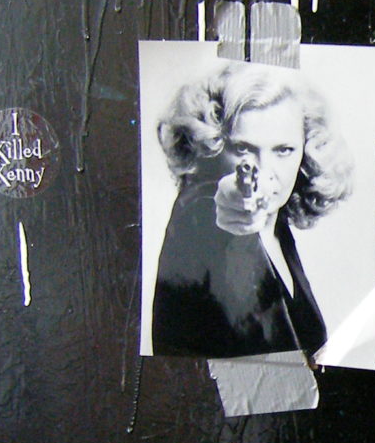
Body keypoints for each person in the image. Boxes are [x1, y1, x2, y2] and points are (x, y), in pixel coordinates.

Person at [150, 61, 351, 358]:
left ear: (304, 153)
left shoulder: (277, 224)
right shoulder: (201, 211)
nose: (265, 170)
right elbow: (219, 203)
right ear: (215, 148)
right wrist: (235, 199)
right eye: (243, 149)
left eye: (283, 150)